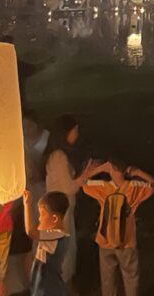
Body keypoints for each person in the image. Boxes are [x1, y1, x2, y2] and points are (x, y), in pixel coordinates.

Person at [82, 159, 154, 296]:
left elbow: (81, 182)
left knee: (107, 280)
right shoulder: (134, 187)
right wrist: (138, 172)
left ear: (110, 170)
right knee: (130, 277)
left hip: (105, 240)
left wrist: (99, 169)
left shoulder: (102, 187)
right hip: (127, 241)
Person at [44, 114, 99, 285]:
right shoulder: (59, 157)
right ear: (65, 133)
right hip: (61, 213)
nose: (76, 135)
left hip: (61, 211)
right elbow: (69, 187)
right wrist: (89, 173)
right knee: (65, 255)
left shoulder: (56, 155)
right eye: (74, 131)